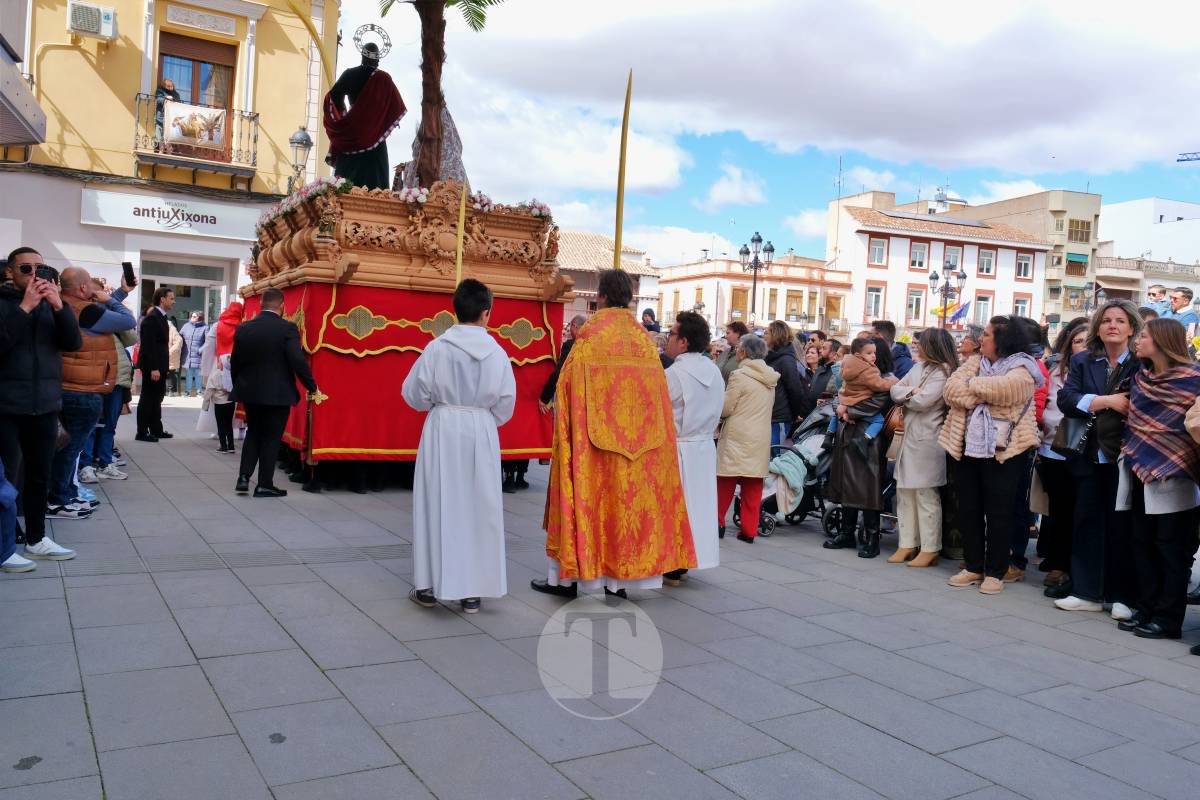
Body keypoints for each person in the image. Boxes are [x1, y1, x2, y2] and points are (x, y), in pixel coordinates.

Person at [533, 270, 695, 598]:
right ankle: (617, 584)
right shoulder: (647, 347)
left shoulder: (589, 342)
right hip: (639, 451)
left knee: (594, 512)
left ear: (602, 298)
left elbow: (566, 394)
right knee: (624, 514)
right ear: (629, 299)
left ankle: (570, 580)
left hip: (592, 450)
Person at [402, 280, 515, 614]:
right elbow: (506, 403)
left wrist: (442, 407)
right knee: (478, 508)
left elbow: (413, 394)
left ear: (455, 309)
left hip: (443, 427)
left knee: (437, 502)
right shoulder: (497, 352)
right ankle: (472, 592)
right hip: (481, 429)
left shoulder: (437, 348)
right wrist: (482, 421)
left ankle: (428, 585)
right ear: (486, 313)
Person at [941, 315, 1043, 595]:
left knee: (1000, 513)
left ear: (1002, 340)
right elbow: (950, 390)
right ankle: (973, 566)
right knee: (969, 509)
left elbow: (1010, 390)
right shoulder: (974, 363)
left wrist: (973, 387)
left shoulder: (1023, 366)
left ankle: (996, 571)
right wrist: (983, 391)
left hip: (1005, 450)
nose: (980, 338)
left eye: (986, 334)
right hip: (966, 447)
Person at [1054, 300, 1142, 617]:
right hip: (1088, 454)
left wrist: (1094, 402)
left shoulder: (1140, 362)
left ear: (1132, 328)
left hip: (1126, 454)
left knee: (1122, 526)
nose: (1112, 325)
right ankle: (1086, 591)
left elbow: (1139, 403)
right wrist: (1107, 400)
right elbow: (1066, 399)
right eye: (1106, 320)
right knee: (1086, 522)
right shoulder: (1083, 360)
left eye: (1120, 320)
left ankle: (1122, 597)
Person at [1117, 319, 1200, 640]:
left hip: (1177, 475)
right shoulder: (1140, 378)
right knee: (1142, 544)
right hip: (1139, 469)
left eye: (1145, 336)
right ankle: (1147, 608)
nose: (1138, 341)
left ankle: (1169, 619)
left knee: (1172, 549)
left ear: (1163, 341)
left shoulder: (1193, 380)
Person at [0, 247, 82, 564]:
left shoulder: (51, 306)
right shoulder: (7, 304)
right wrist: (24, 308)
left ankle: (36, 538)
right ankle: (6, 547)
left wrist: (59, 305)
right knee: (6, 480)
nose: (34, 275)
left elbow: (73, 343)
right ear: (10, 272)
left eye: (41, 268)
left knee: (39, 476)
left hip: (45, 405)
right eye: (26, 269)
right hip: (7, 406)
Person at [50, 267, 135, 517]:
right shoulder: (86, 310)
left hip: (69, 385)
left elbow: (101, 314)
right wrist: (110, 299)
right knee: (71, 449)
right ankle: (59, 498)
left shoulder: (64, 305)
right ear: (82, 288)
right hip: (82, 389)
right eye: (91, 286)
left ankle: (64, 493)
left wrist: (118, 293)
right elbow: (127, 320)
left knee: (68, 448)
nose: (97, 291)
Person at [230, 288, 318, 497]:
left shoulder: (244, 328)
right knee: (271, 437)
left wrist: (240, 385)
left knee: (253, 433)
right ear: (281, 306)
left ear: (261, 305)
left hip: (250, 391)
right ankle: (264, 484)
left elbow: (235, 362)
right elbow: (298, 360)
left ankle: (243, 478)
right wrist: (311, 385)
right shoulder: (287, 329)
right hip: (277, 394)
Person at [663, 311, 724, 582]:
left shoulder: (674, 374)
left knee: (677, 508)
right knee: (698, 507)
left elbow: (660, 411)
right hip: (704, 446)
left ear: (684, 342)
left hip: (679, 446)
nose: (668, 339)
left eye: (672, 334)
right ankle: (687, 561)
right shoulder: (714, 370)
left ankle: (674, 562)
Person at [888, 327, 957, 567]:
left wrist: (907, 393)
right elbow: (894, 389)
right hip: (910, 437)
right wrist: (910, 391)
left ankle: (930, 547)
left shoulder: (944, 372)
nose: (917, 346)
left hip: (929, 440)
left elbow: (922, 401)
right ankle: (906, 543)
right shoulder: (919, 367)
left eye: (922, 342)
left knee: (926, 494)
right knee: (904, 492)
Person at [824, 337, 897, 558]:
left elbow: (880, 403)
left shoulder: (883, 379)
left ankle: (872, 537)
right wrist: (842, 408)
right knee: (846, 483)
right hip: (848, 432)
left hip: (867, 437)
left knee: (867, 488)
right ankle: (847, 532)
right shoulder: (860, 373)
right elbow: (842, 394)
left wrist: (850, 411)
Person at [1036, 319, 1089, 595]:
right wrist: (1047, 422)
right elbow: (1048, 404)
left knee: (1079, 512)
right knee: (1057, 511)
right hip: (1053, 447)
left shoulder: (1099, 372)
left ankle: (1072, 567)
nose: (1083, 346)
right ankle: (1057, 562)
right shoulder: (1057, 371)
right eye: (1078, 341)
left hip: (1084, 451)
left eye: (1088, 342)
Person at [714, 334, 778, 543]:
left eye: (739, 348)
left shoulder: (739, 375)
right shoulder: (770, 377)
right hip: (760, 435)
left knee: (725, 480)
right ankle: (749, 531)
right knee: (753, 484)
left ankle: (718, 523)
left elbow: (726, 407)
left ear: (744, 352)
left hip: (737, 435)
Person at [323, 42, 407, 190]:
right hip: (375, 137)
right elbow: (395, 107)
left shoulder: (350, 74)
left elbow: (333, 96)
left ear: (362, 56)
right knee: (376, 186)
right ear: (377, 60)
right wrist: (380, 120)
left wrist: (345, 116)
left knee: (345, 184)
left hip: (351, 134)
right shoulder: (384, 79)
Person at [136, 287, 174, 442]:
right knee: (148, 398)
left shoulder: (161, 316)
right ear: (162, 299)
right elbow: (148, 345)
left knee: (157, 398)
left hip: (160, 366)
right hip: (153, 366)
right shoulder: (153, 318)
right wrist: (154, 368)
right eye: (171, 298)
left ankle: (156, 429)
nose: (174, 301)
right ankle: (142, 432)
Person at [764, 320, 807, 446]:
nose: (764, 335)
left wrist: (792, 415)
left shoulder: (786, 359)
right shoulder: (769, 356)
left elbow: (795, 390)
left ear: (776, 335)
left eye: (767, 332)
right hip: (769, 415)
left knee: (775, 456)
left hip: (780, 417)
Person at [538, 314, 586, 413]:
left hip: (571, 395)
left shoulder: (570, 346)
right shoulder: (591, 345)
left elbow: (559, 373)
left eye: (570, 328)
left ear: (574, 326)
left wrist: (544, 398)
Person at [205, 354, 235, 453]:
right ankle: (231, 446)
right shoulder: (232, 373)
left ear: (221, 363)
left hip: (219, 402)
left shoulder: (216, 374)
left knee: (221, 425)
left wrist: (205, 404)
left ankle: (223, 446)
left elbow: (209, 389)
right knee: (229, 424)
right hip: (230, 402)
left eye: (219, 361)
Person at [179, 311, 206, 396]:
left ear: (200, 317)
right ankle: (187, 391)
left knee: (198, 374)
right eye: (192, 316)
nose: (192, 317)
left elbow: (208, 342)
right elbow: (180, 337)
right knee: (188, 374)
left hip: (198, 355)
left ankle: (199, 392)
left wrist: (200, 350)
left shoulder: (205, 327)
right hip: (188, 355)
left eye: (194, 316)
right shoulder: (186, 326)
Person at [154, 78, 180, 151]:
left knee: (169, 135)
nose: (170, 88)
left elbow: (178, 101)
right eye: (168, 86)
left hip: (170, 118)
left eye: (171, 86)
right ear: (165, 86)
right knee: (159, 134)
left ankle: (169, 151)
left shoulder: (175, 93)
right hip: (161, 117)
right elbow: (158, 99)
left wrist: (173, 99)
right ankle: (160, 150)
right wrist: (166, 98)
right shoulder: (160, 91)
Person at [167, 316, 183, 396]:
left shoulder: (172, 329)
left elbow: (179, 341)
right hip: (165, 355)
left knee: (170, 373)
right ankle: (168, 390)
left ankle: (171, 391)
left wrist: (170, 351)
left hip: (170, 356)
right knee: (166, 373)